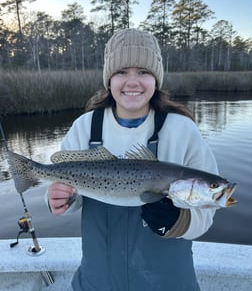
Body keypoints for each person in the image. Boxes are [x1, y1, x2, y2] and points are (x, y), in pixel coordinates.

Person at [47, 28, 218, 291]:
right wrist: (60, 199)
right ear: (109, 78)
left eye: (143, 72)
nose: (132, 81)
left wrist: (178, 221)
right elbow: (71, 196)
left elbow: (206, 213)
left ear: (156, 79)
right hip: (97, 280)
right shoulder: (84, 127)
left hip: (169, 283)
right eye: (121, 72)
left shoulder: (183, 130)